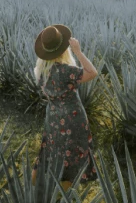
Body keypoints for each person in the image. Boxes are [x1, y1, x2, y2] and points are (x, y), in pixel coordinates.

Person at [30, 24, 99, 190]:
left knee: (49, 149)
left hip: (53, 117)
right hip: (72, 119)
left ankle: (32, 186)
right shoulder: (66, 71)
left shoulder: (40, 70)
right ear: (63, 49)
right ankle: (66, 198)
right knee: (71, 155)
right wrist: (78, 52)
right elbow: (92, 72)